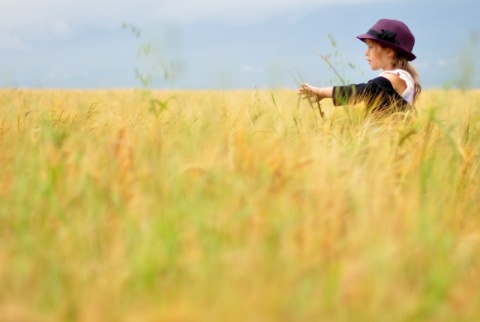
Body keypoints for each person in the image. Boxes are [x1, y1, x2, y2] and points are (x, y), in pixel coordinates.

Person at [298, 19, 421, 115]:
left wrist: (322, 92)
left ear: (389, 51)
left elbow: (364, 91)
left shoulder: (394, 77)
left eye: (370, 47)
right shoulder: (400, 76)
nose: (366, 53)